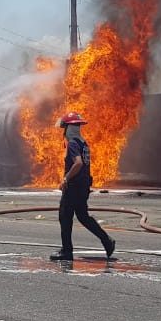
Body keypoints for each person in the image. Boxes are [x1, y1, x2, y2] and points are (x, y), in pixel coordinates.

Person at [50, 112, 116, 262]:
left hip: (74, 187)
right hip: (83, 186)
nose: (63, 131)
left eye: (64, 128)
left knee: (65, 216)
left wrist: (66, 179)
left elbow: (78, 163)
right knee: (83, 216)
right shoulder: (83, 143)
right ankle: (107, 241)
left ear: (68, 128)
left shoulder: (73, 143)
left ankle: (67, 251)